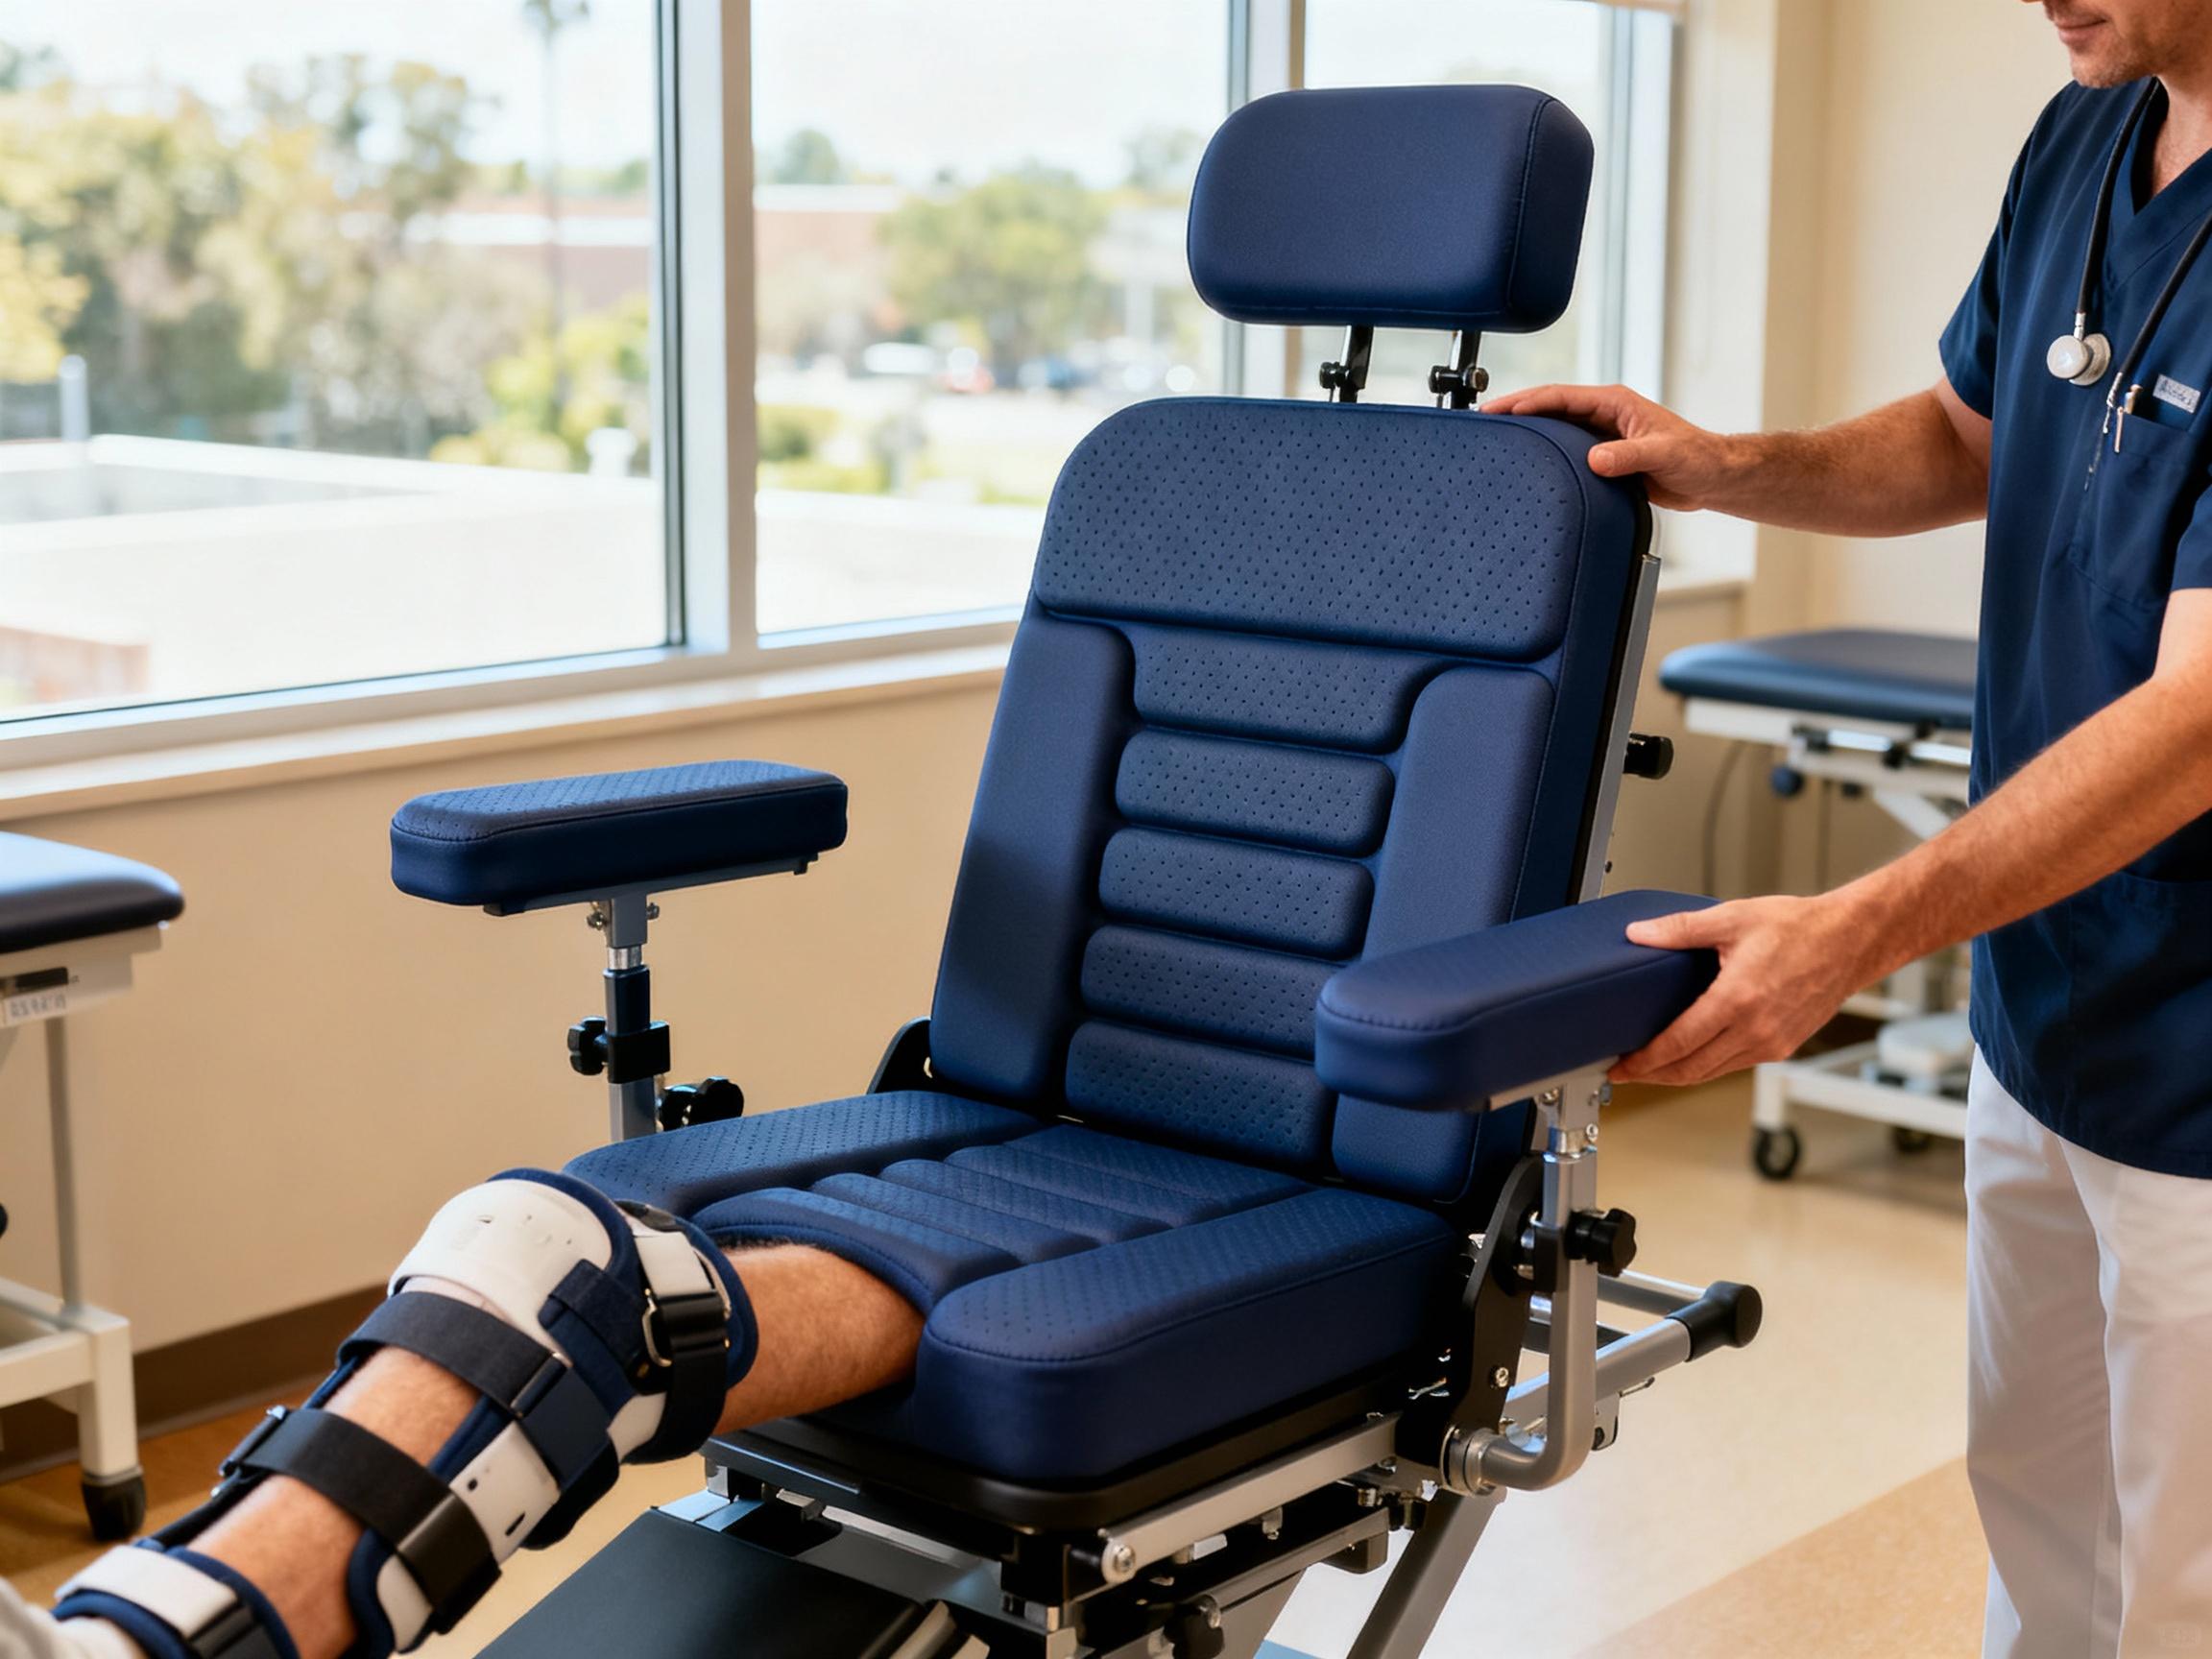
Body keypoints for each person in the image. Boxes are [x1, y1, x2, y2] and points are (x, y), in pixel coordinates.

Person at [1481, 2, 2212, 1653]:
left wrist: (1855, 929)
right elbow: (1969, 432)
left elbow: (2197, 719)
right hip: (2052, 1002)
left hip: (2203, 1044)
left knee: (2186, 1582)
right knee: (2043, 1521)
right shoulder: (2090, 128)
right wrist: (1721, 462)